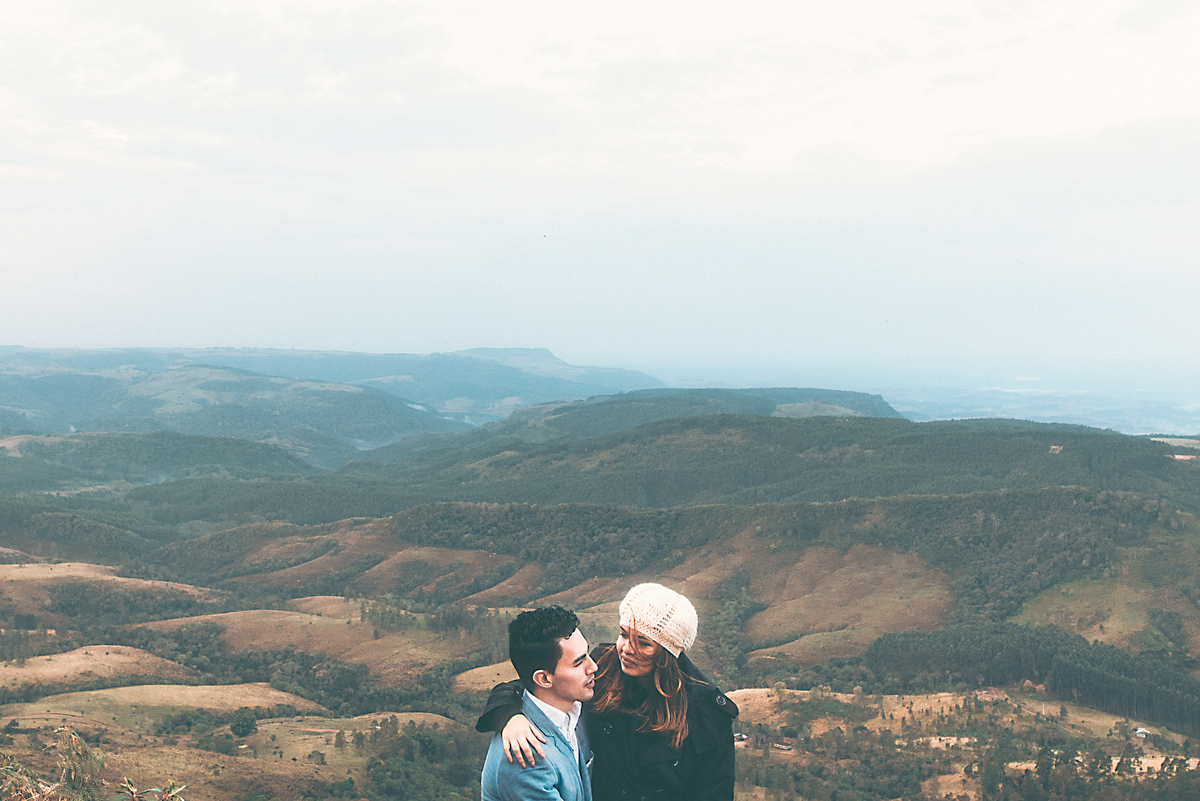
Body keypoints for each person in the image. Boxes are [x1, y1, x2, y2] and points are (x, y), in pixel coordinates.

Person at [478, 583, 738, 801]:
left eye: (643, 643)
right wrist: (510, 716)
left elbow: (715, 793)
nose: (626, 649)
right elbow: (535, 684)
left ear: (668, 652)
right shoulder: (605, 666)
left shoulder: (706, 714)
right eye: (624, 634)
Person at [481, 605, 597, 801]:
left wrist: (508, 714)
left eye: (587, 654)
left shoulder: (573, 710)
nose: (593, 666)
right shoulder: (526, 757)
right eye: (579, 662)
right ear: (544, 679)